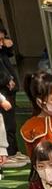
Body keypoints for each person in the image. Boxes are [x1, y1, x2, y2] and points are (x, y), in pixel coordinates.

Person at [0, 25, 21, 161]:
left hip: (8, 90)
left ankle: (13, 151)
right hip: (2, 92)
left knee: (10, 122)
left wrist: (8, 45)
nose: (2, 43)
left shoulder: (2, 50)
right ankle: (9, 153)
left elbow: (9, 53)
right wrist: (7, 79)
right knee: (6, 124)